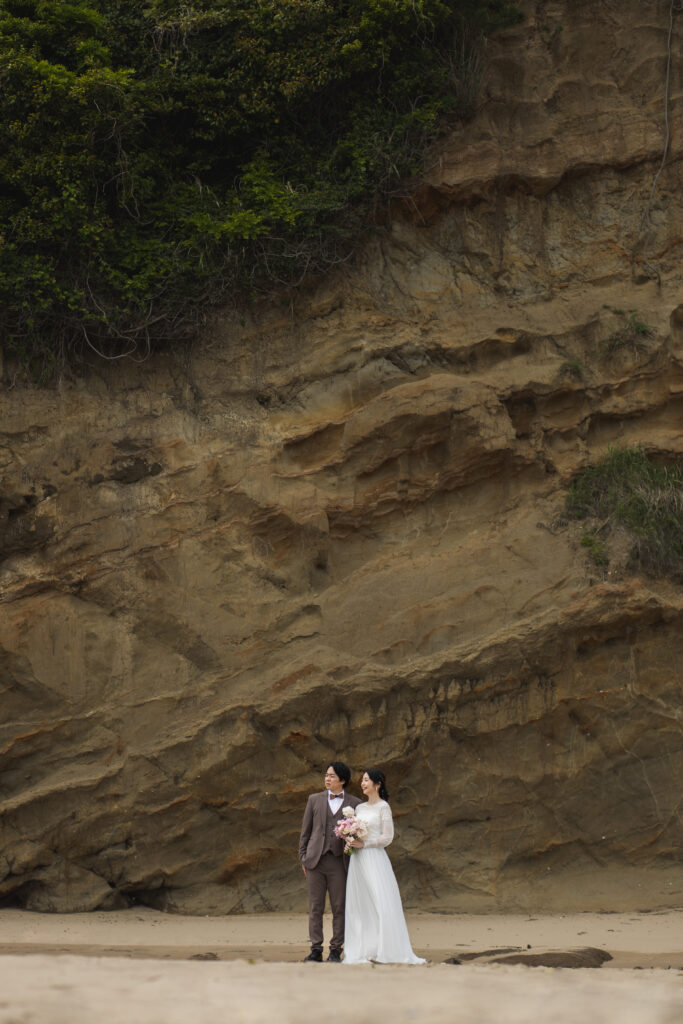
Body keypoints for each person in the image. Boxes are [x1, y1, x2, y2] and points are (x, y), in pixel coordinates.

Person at [343, 769, 425, 964]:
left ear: (377, 784)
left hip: (375, 858)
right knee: (361, 905)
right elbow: (356, 833)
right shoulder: (360, 808)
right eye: (362, 780)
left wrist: (365, 844)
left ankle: (387, 950)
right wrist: (350, 840)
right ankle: (366, 949)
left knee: (381, 902)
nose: (362, 783)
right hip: (358, 860)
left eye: (366, 780)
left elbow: (387, 838)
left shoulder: (383, 807)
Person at [298, 761, 362, 962]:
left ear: (342, 780)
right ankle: (315, 949)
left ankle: (336, 949)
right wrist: (303, 857)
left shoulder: (355, 803)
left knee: (339, 907)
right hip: (315, 861)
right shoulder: (314, 800)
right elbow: (305, 831)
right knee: (315, 907)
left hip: (340, 862)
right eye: (326, 775)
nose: (327, 779)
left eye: (332, 776)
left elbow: (359, 834)